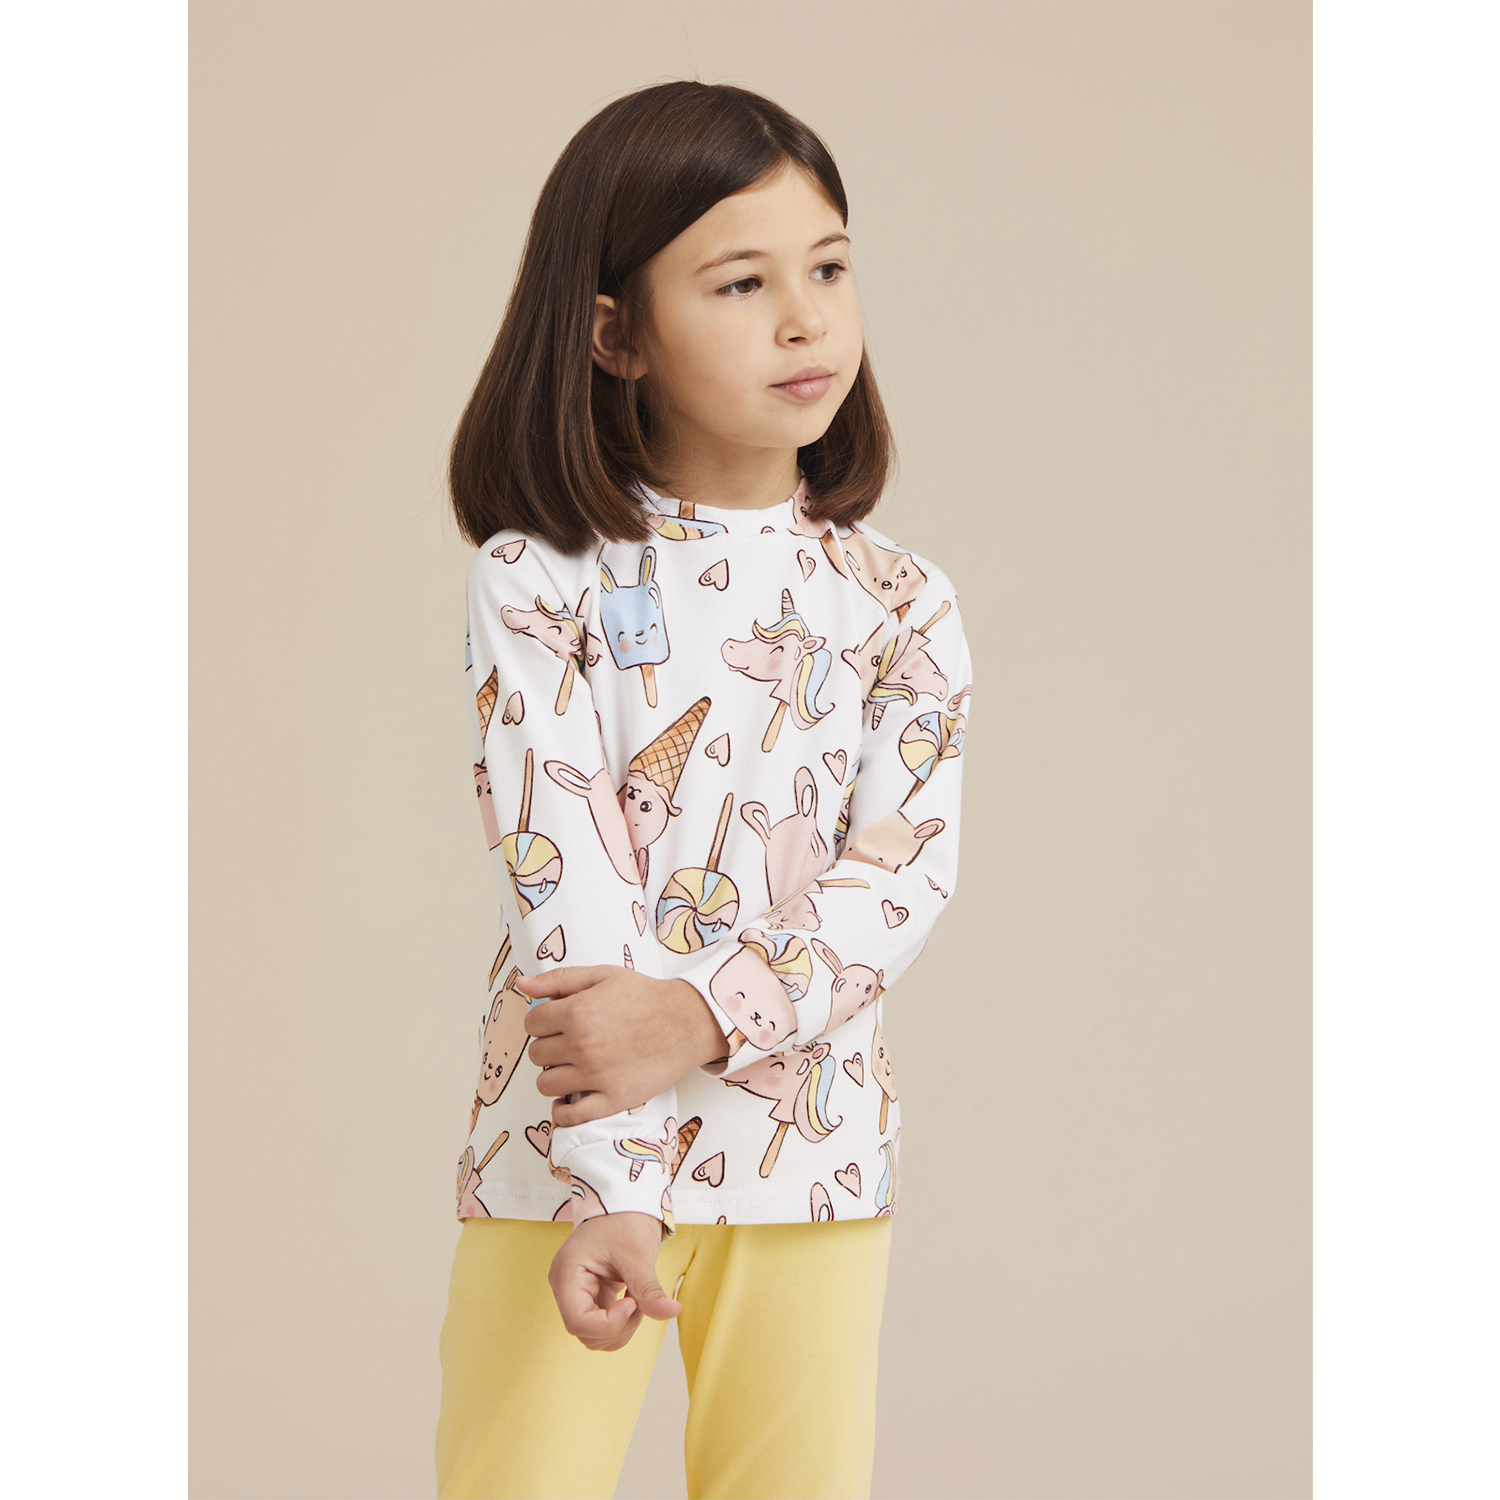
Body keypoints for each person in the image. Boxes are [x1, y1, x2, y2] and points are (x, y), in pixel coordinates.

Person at [435, 80, 973, 1500]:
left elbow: (899, 881)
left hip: (815, 1159)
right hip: (567, 1157)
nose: (806, 321)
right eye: (742, 283)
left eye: (829, 269)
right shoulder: (536, 581)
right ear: (615, 332)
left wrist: (700, 1017)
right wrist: (616, 1180)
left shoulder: (903, 602)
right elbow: (564, 876)